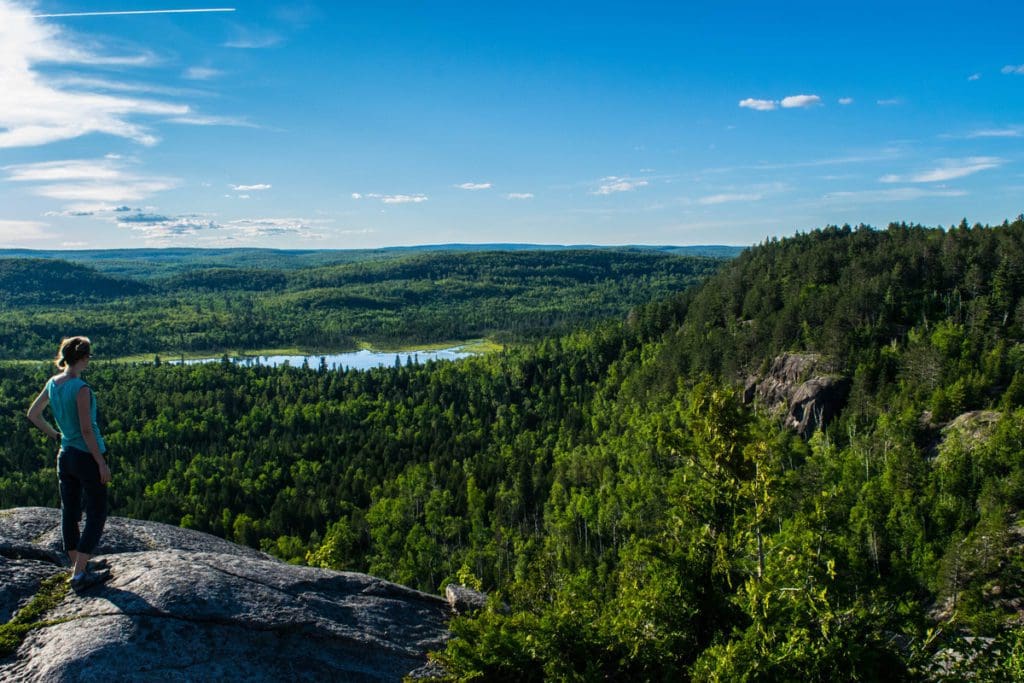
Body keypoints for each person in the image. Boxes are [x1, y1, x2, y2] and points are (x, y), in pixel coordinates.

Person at [27, 336, 112, 590]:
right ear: (84, 358)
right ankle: (79, 574)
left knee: (70, 512)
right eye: (89, 357)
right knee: (97, 511)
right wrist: (101, 463)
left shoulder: (53, 383)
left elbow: (33, 414)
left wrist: (55, 435)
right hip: (86, 456)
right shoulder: (81, 388)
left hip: (65, 456)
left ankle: (79, 565)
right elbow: (87, 430)